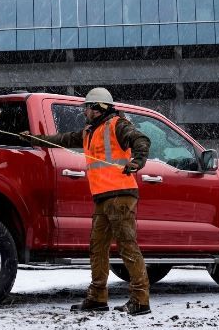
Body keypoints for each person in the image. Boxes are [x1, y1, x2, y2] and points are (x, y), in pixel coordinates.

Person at [21, 88, 152, 315]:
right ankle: (97, 298)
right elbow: (62, 139)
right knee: (97, 248)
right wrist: (35, 139)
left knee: (127, 246)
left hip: (121, 195)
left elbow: (141, 139)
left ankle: (140, 300)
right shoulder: (90, 131)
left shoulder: (117, 125)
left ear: (99, 107)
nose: (84, 112)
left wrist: (137, 161)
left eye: (87, 107)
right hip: (103, 197)